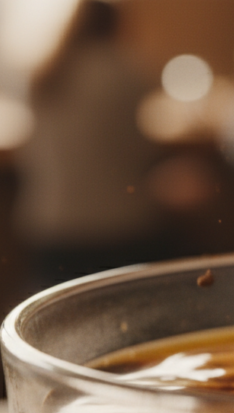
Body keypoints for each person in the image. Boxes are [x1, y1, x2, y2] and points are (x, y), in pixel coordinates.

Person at [13, 0, 172, 288]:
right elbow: (140, 154)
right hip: (118, 229)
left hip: (49, 226)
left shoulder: (45, 74)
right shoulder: (126, 72)